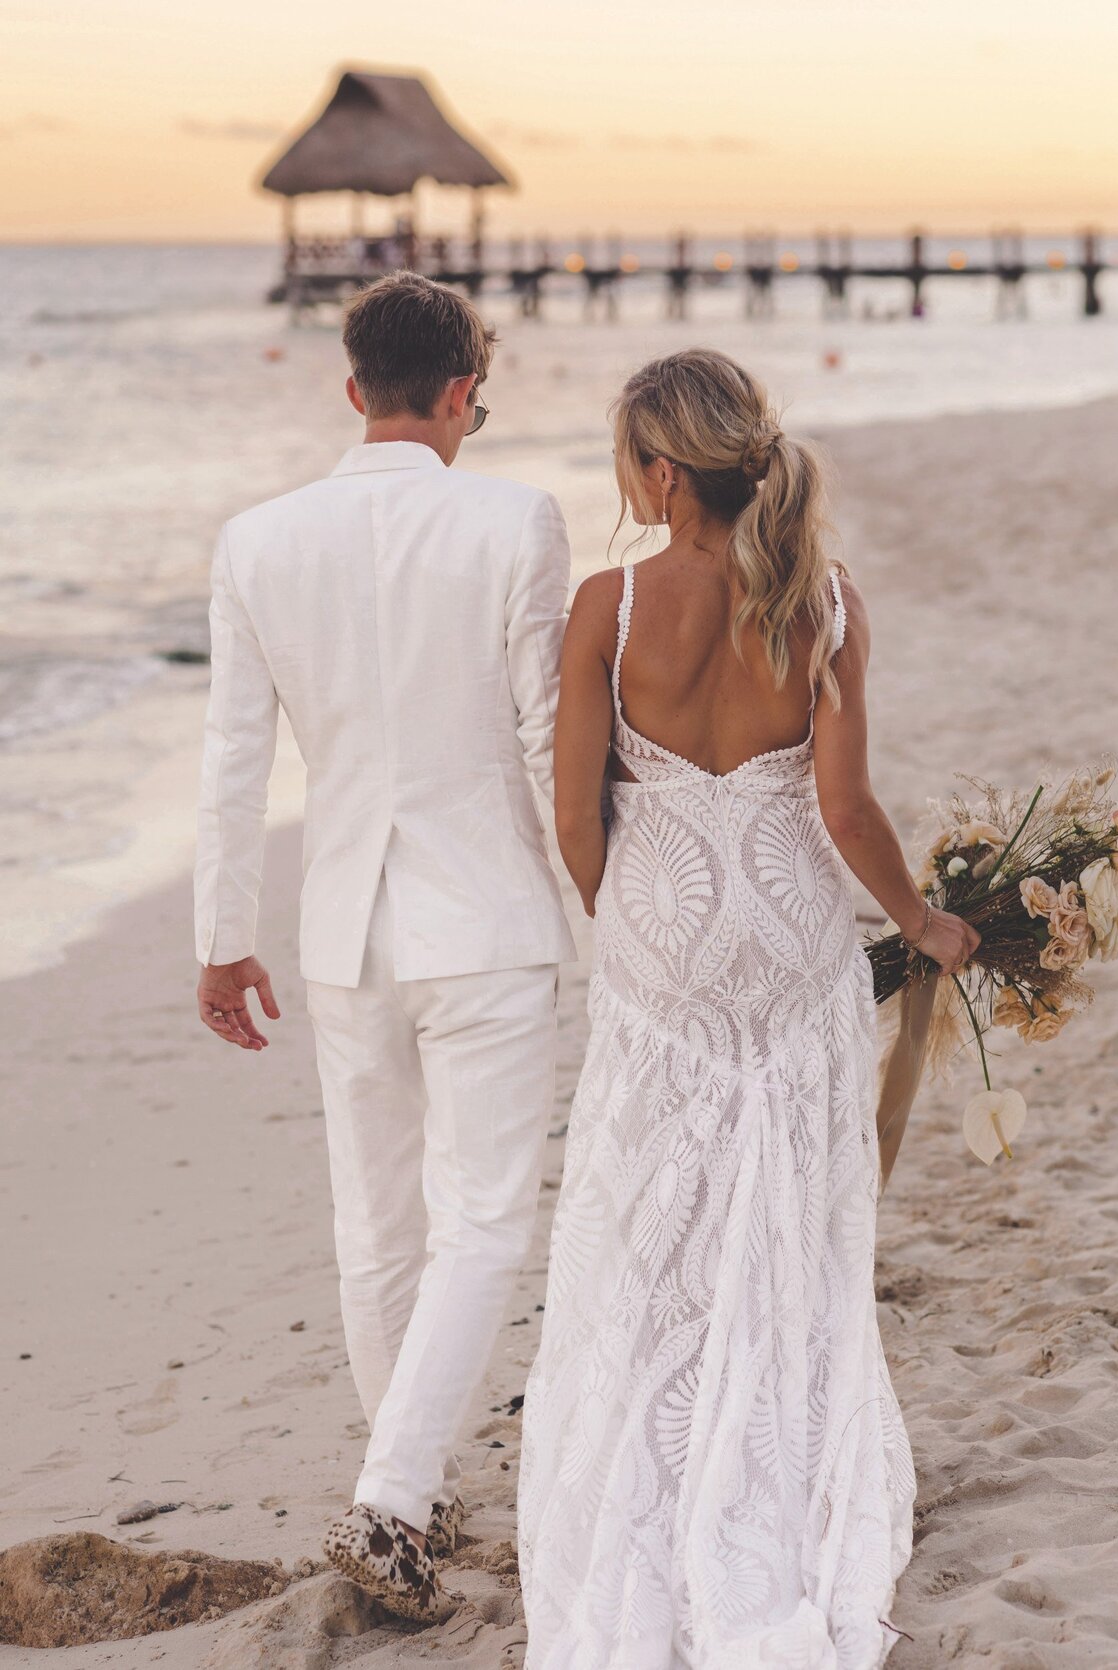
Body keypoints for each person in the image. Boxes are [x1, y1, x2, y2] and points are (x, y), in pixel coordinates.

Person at [518, 349, 977, 1667]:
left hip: (663, 941)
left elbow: (571, 812)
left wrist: (632, 927)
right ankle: (779, 1470)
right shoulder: (822, 602)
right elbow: (843, 810)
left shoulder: (607, 604)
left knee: (655, 1224)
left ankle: (657, 1467)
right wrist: (920, 920)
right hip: (788, 942)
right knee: (789, 1217)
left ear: (663, 473)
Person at [193, 272, 576, 1620]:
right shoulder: (518, 518)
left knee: (377, 1221)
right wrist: (604, 900)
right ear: (465, 388)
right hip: (487, 920)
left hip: (343, 929)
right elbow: (544, 742)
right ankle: (396, 1496)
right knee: (483, 1218)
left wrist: (220, 936)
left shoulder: (257, 539)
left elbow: (235, 762)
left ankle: (407, 1486)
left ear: (352, 388)